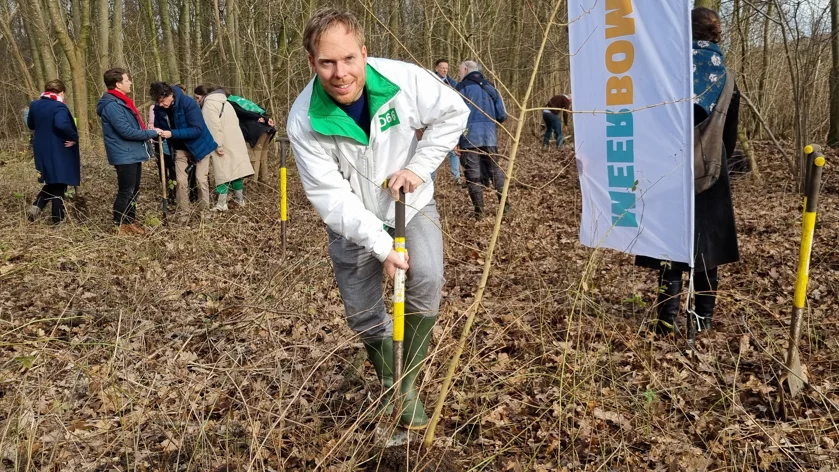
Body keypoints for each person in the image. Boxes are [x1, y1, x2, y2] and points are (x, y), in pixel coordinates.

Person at [286, 7, 469, 430]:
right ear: (313, 63)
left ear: (364, 53)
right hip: (352, 216)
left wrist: (419, 168)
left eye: (349, 58)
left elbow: (454, 113)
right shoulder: (304, 119)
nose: (340, 72)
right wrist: (383, 246)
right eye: (327, 62)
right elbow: (330, 196)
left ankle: (404, 386)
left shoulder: (403, 80)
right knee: (363, 312)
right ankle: (392, 377)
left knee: (426, 279)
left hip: (411, 202)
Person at [635, 7, 740, 335]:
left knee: (670, 244)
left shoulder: (668, 72)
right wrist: (717, 160)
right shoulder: (728, 79)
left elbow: (648, 122)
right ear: (715, 35)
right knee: (708, 246)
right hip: (711, 169)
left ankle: (666, 321)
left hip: (669, 167)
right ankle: (701, 320)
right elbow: (730, 134)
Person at [96, 68, 161, 234]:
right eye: (127, 80)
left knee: (134, 190)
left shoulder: (122, 102)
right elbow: (126, 131)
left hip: (131, 153)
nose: (130, 82)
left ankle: (129, 222)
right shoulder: (112, 105)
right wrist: (152, 132)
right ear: (118, 84)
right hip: (124, 154)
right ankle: (119, 225)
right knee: (126, 190)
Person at [149, 81, 217, 223]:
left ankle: (206, 214)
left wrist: (172, 134)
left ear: (170, 95)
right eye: (158, 102)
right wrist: (158, 132)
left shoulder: (188, 103)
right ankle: (183, 215)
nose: (161, 104)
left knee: (200, 179)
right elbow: (159, 127)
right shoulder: (159, 108)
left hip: (200, 146)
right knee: (180, 181)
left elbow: (197, 129)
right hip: (180, 148)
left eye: (163, 101)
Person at [456, 60, 509, 218]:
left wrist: (455, 139)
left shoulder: (460, 88)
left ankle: (480, 212)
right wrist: (490, 125)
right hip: (489, 137)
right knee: (495, 171)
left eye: (459, 71)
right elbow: (502, 115)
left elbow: (454, 116)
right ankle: (505, 206)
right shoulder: (491, 88)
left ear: (466, 70)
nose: (458, 74)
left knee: (472, 175)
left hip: (468, 137)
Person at [26, 80, 80, 225]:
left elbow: (31, 124)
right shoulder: (59, 107)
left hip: (40, 148)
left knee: (54, 180)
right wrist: (74, 136)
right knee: (60, 181)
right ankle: (57, 219)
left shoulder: (35, 105)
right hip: (58, 148)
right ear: (61, 92)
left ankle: (38, 207)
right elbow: (61, 124)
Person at [193, 85, 255, 211]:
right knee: (235, 171)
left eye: (197, 97)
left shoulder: (209, 105)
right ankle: (240, 199)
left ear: (203, 95)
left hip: (222, 142)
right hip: (235, 140)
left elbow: (213, 127)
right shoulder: (226, 102)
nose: (197, 100)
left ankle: (222, 203)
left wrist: (218, 145)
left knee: (222, 172)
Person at [226, 93, 276, 186]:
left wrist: (261, 118)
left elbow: (243, 113)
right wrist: (265, 118)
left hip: (256, 132)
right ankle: (264, 183)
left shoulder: (229, 103)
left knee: (254, 158)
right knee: (262, 157)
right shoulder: (239, 100)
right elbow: (258, 110)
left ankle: (252, 184)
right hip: (266, 130)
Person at [432, 58, 461, 183]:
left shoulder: (452, 84)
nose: (444, 70)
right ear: (436, 68)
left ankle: (456, 178)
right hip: (434, 120)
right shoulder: (429, 81)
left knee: (454, 150)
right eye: (442, 67)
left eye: (446, 68)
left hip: (449, 119)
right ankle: (430, 178)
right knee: (434, 150)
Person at [148, 103, 176, 206]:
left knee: (173, 167)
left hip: (172, 141)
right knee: (162, 166)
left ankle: (173, 192)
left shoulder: (173, 108)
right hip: (160, 141)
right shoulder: (154, 107)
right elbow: (151, 124)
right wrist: (154, 134)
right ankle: (165, 188)